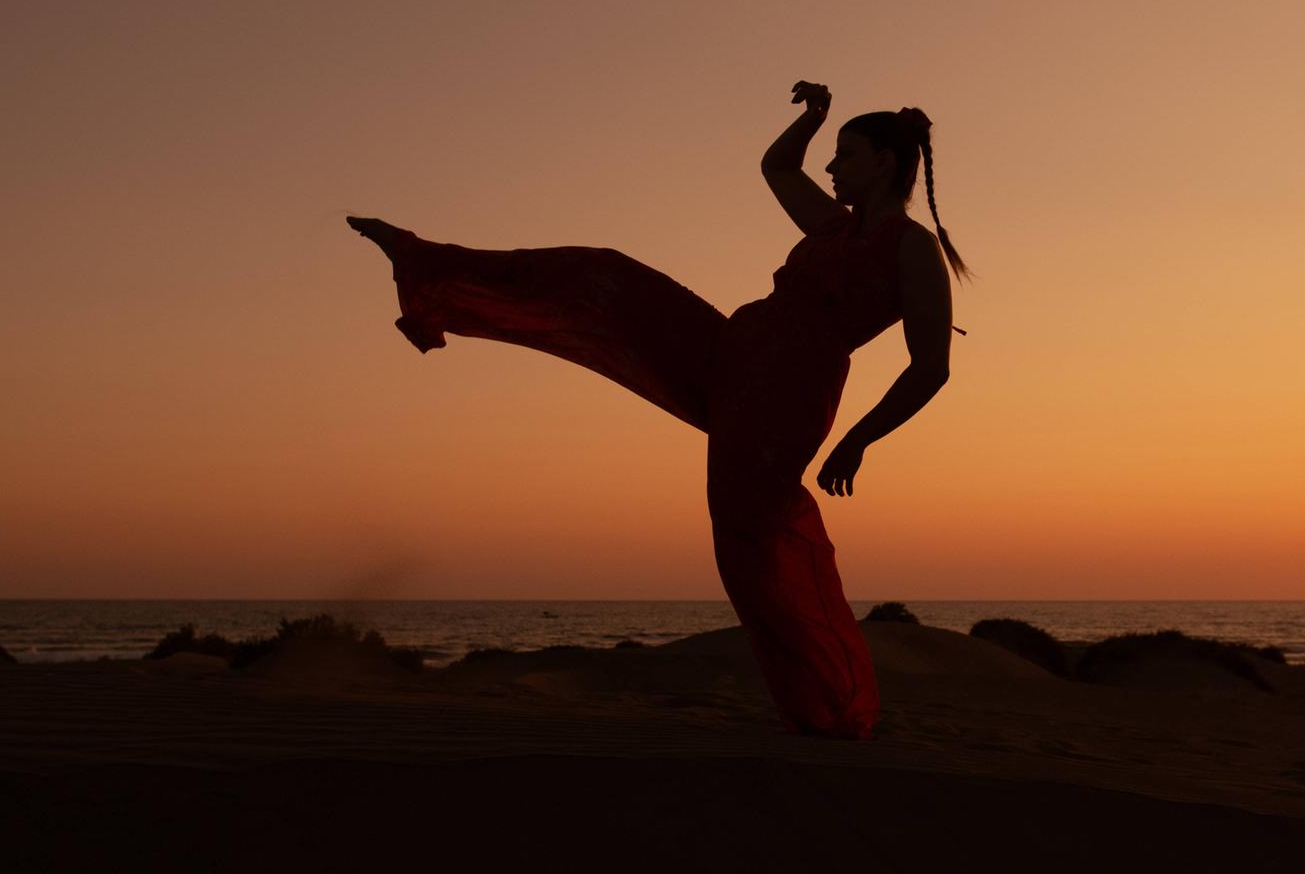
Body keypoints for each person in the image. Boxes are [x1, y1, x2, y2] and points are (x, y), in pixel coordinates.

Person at [346, 81, 969, 738]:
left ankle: (831, 708)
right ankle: (425, 264)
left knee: (752, 548)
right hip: (729, 349)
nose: (831, 166)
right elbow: (778, 168)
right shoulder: (833, 226)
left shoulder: (911, 249)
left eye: (845, 154)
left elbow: (931, 367)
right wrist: (814, 118)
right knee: (602, 277)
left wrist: (859, 440)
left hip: (786, 393)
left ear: (884, 163)